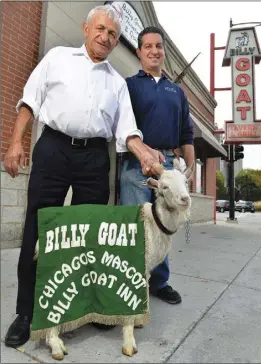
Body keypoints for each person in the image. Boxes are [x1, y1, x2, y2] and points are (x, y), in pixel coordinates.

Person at [4, 6, 164, 348]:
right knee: (38, 228)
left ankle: (78, 308)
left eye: (113, 35)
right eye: (101, 30)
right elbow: (29, 101)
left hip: (94, 157)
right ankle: (26, 313)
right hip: (54, 149)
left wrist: (144, 153)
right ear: (86, 27)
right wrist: (16, 141)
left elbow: (127, 132)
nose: (106, 38)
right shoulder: (57, 58)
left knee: (87, 235)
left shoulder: (117, 83)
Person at [120, 26, 195, 305]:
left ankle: (159, 281)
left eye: (158, 46)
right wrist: (141, 153)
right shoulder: (129, 85)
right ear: (139, 51)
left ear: (163, 52)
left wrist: (190, 166)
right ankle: (128, 283)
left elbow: (187, 135)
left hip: (169, 165)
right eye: (148, 46)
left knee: (165, 226)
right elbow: (121, 125)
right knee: (135, 226)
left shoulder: (177, 91)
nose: (154, 50)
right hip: (134, 163)